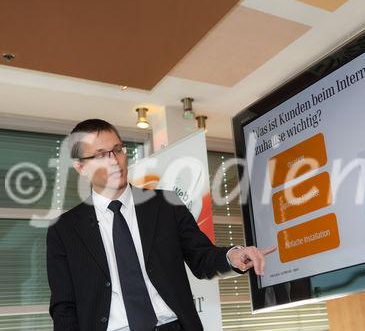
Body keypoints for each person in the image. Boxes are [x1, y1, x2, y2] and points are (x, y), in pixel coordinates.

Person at [46, 119, 275, 331]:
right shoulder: (64, 230)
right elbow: (64, 306)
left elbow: (202, 257)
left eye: (117, 150)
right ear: (81, 168)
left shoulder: (166, 205)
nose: (114, 161)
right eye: (101, 155)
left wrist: (232, 256)